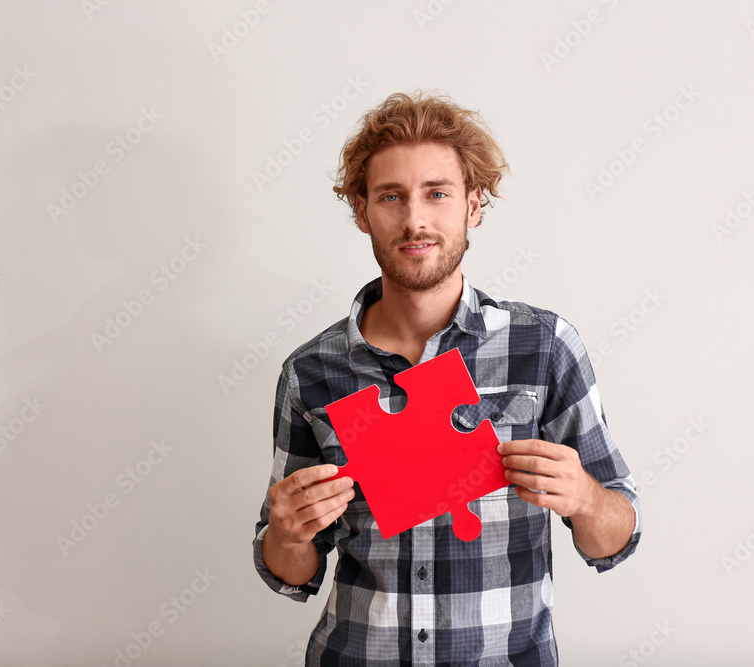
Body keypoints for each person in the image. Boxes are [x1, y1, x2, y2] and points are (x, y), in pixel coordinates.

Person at [253, 91, 641, 666]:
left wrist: (585, 497)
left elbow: (616, 540)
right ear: (362, 211)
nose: (415, 219)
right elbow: (292, 577)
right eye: (391, 197)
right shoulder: (311, 372)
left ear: (474, 205)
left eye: (437, 194)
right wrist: (284, 537)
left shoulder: (544, 347)